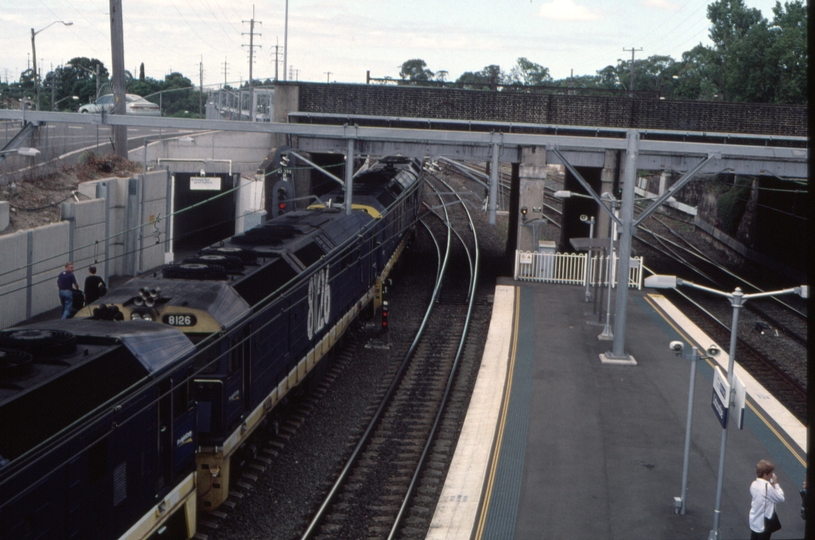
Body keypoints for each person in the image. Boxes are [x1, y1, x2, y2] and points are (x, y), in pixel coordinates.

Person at [750, 459, 785, 539]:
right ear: (765, 474)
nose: (771, 475)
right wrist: (776, 484)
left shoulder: (753, 484)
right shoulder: (767, 487)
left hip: (754, 520)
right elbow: (781, 498)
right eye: (770, 473)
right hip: (764, 524)